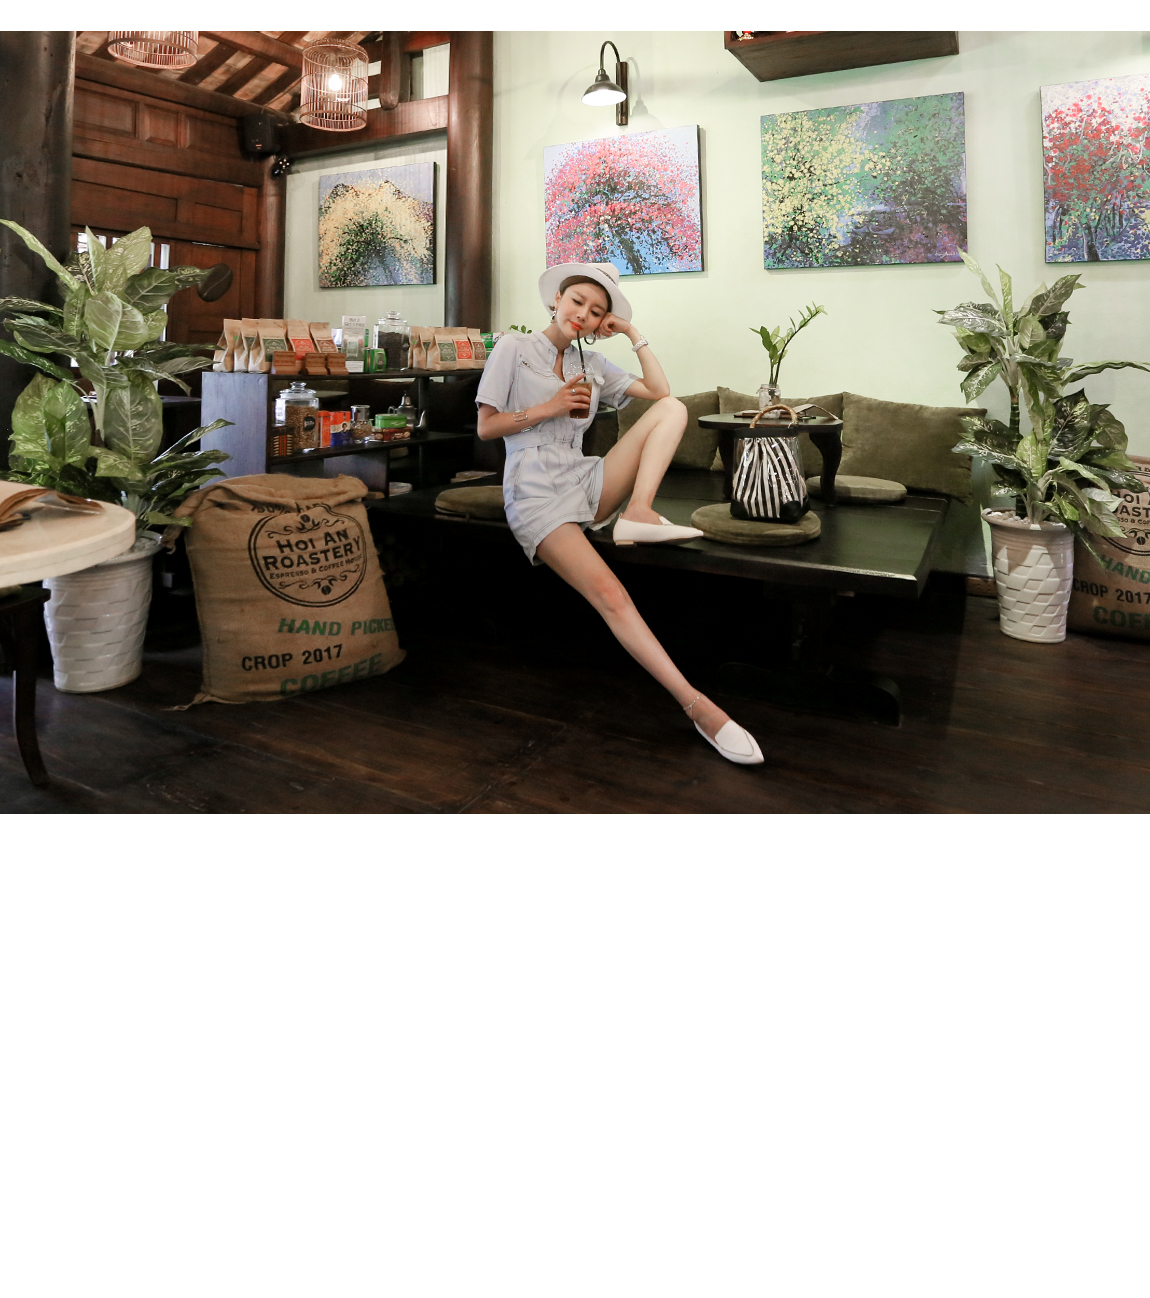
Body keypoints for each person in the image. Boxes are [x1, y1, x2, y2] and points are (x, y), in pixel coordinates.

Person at [475, 261, 763, 765]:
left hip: (583, 477)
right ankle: (698, 707)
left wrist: (631, 332)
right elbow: (487, 427)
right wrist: (550, 407)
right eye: (577, 302)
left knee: (673, 409)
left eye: (596, 311)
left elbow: (659, 392)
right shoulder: (513, 348)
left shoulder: (592, 364)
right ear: (556, 300)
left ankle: (640, 512)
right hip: (535, 490)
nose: (583, 315)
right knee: (611, 595)